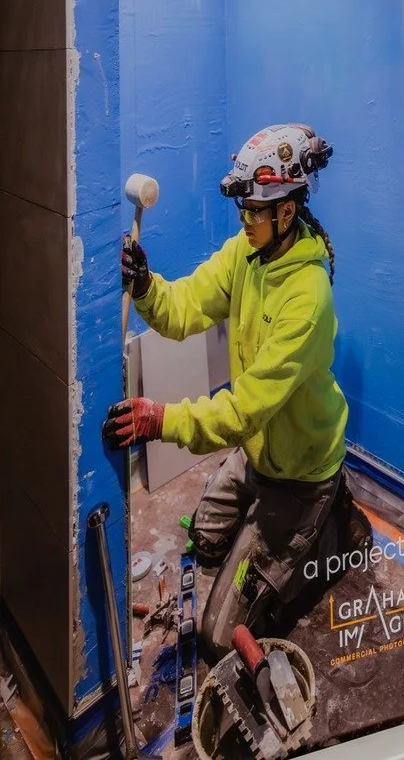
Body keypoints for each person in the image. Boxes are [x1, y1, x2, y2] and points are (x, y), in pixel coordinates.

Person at [103, 124, 366, 661]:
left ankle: (336, 523)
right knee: (204, 539)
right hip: (258, 455)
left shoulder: (308, 299)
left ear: (286, 212)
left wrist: (161, 421)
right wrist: (148, 285)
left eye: (254, 210)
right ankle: (280, 519)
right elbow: (184, 310)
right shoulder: (244, 255)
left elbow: (242, 408)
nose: (244, 220)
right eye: (243, 209)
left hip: (300, 472)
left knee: (218, 636)